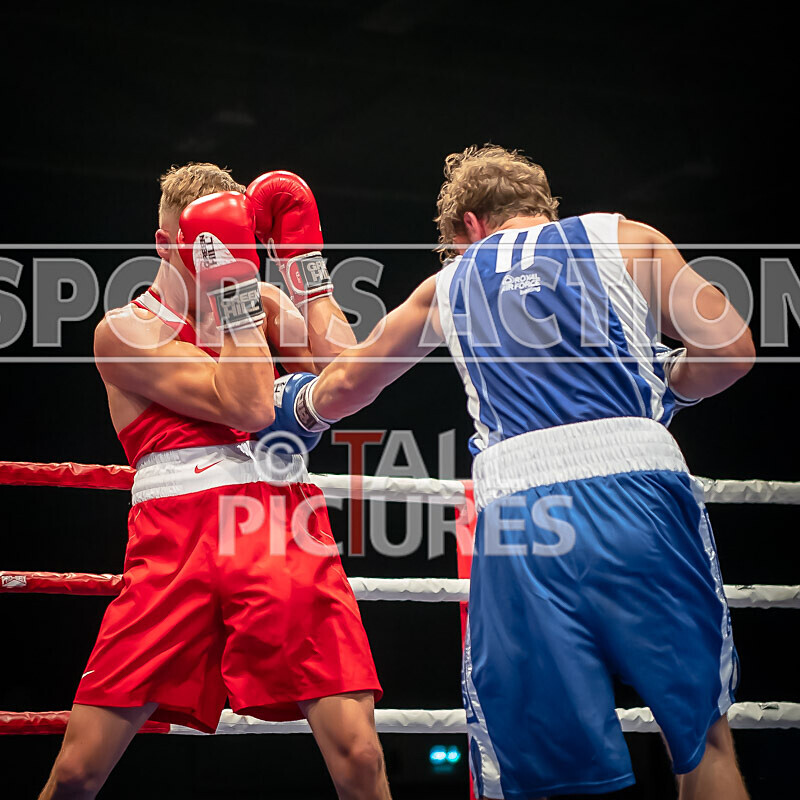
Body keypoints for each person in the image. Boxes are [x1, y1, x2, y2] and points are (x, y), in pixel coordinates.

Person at [268, 145, 755, 799]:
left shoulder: (449, 283)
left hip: (523, 518)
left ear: (469, 225)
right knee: (703, 742)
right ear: (540, 206)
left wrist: (292, 407)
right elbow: (731, 351)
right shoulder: (627, 237)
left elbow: (346, 381)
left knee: (553, 775)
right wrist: (665, 385)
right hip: (644, 492)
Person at [39, 163, 391, 800]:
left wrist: (305, 269)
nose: (216, 258)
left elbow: (350, 377)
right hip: (176, 546)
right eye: (203, 246)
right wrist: (235, 292)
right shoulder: (124, 332)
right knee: (78, 770)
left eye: (226, 245)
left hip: (281, 526)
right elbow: (248, 406)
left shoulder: (265, 304)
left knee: (361, 757)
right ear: (164, 244)